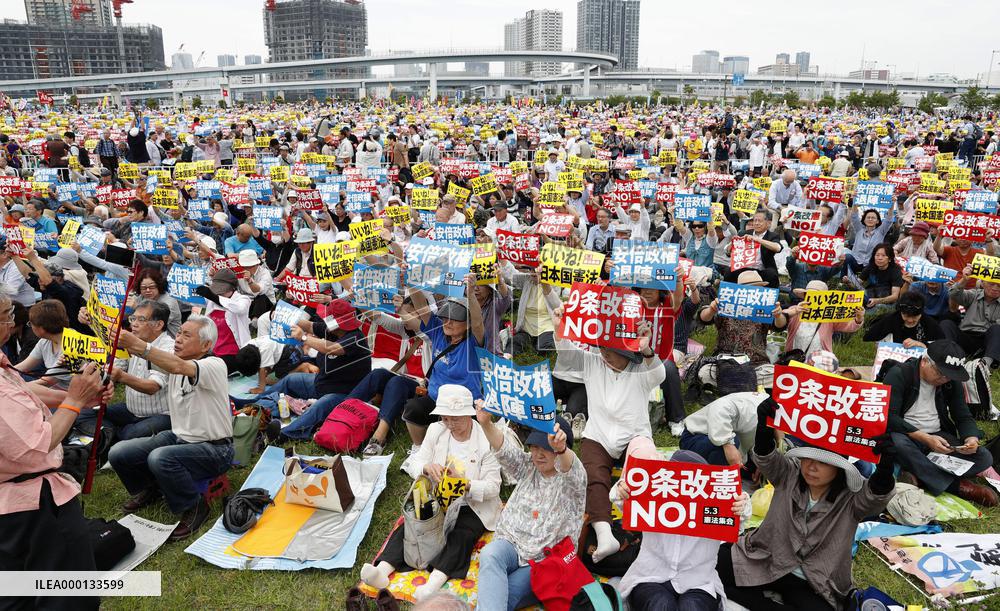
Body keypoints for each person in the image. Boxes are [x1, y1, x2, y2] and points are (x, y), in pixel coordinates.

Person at [716, 396, 897, 610]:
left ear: (838, 468)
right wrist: (764, 425)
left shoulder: (851, 497)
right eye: (808, 458)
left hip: (814, 579)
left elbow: (876, 496)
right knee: (716, 562)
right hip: (768, 558)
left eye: (823, 463)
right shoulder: (789, 474)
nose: (811, 467)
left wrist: (885, 466)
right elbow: (766, 457)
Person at [0, 291, 108, 611]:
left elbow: (21, 392)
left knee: (15, 590)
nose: (13, 322)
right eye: (7, 315)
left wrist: (81, 397)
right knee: (67, 594)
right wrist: (74, 400)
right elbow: (35, 445)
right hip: (33, 507)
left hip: (11, 506)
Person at [360, 385, 502, 602]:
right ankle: (382, 571)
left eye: (455, 419)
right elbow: (416, 461)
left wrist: (465, 484)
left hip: (472, 504)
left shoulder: (486, 439)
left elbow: (493, 487)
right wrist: (427, 467)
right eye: (446, 419)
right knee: (414, 523)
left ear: (468, 414)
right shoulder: (437, 430)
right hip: (440, 497)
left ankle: (433, 583)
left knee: (461, 535)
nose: (450, 424)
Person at [551, 307, 664, 563]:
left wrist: (647, 349)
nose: (606, 357)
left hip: (634, 434)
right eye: (603, 351)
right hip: (598, 433)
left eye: (613, 353)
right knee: (591, 474)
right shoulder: (593, 361)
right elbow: (568, 356)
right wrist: (560, 327)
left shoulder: (640, 371)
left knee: (646, 460)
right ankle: (604, 533)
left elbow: (659, 374)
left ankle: (643, 525)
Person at [111, 315, 235, 540]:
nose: (178, 339)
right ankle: (151, 488)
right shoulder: (174, 364)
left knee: (160, 457)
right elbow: (158, 359)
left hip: (216, 449)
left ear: (206, 345)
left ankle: (195, 506)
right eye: (179, 333)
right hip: (179, 438)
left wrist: (137, 344)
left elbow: (176, 365)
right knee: (119, 452)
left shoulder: (213, 365)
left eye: (187, 335)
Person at [614, 439, 750, 611]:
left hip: (699, 583)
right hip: (650, 576)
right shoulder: (654, 495)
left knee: (691, 607)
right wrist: (623, 488)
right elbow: (620, 501)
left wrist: (741, 505)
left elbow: (740, 520)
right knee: (660, 605)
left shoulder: (718, 503)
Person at [475, 411, 585, 611]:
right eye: (534, 447)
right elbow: (503, 449)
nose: (538, 454)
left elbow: (571, 467)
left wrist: (561, 450)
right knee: (490, 553)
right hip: (512, 545)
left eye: (546, 448)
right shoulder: (529, 466)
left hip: (545, 561)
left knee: (502, 596)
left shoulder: (572, 482)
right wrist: (485, 423)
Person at [882, 339, 997, 506]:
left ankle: (921, 476)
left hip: (938, 437)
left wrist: (970, 439)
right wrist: (924, 438)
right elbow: (889, 417)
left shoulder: (950, 381)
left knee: (984, 457)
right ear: (925, 362)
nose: (944, 379)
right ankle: (957, 487)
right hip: (906, 434)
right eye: (940, 373)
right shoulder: (900, 374)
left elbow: (962, 415)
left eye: (949, 375)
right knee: (897, 443)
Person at [261, 299, 372, 441]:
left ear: (336, 322)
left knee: (319, 407)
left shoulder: (356, 338)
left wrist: (303, 337)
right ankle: (255, 405)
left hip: (346, 394)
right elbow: (309, 325)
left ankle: (284, 434)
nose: (324, 320)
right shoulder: (332, 329)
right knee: (289, 380)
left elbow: (331, 348)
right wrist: (283, 316)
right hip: (323, 382)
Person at [402, 278, 485, 467]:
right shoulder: (439, 333)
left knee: (463, 440)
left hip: (464, 404)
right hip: (437, 400)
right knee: (413, 409)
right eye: (445, 317)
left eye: (454, 319)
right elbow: (421, 306)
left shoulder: (473, 342)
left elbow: (479, 322)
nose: (447, 322)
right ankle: (419, 449)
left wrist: (470, 293)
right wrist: (411, 280)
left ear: (467, 325)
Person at [76, 301, 174, 441]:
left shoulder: (167, 349)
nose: (134, 324)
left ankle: (111, 435)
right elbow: (117, 366)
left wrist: (121, 376)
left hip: (160, 414)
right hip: (130, 409)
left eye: (141, 320)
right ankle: (113, 434)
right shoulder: (132, 340)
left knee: (130, 435)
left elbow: (152, 387)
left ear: (159, 324)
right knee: (84, 413)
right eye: (133, 318)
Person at [680, 391, 763, 468]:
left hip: (734, 450)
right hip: (695, 437)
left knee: (757, 467)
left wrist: (762, 465)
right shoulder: (756, 407)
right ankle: (715, 479)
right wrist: (727, 444)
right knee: (732, 442)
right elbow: (720, 405)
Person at [943, 267, 1000, 368]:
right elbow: (953, 294)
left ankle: (985, 365)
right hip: (966, 336)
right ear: (982, 283)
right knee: (946, 324)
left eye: (999, 285)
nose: (995, 288)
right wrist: (964, 279)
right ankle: (949, 356)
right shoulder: (974, 294)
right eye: (991, 284)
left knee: (997, 329)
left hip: (987, 341)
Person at [194, 268, 251, 357]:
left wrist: (213, 297)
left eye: (223, 290)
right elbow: (193, 302)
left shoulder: (243, 299)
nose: (219, 293)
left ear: (233, 288)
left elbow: (239, 308)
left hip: (234, 352)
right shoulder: (212, 299)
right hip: (213, 349)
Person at [863, 290, 944, 351]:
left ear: (921, 313)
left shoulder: (929, 323)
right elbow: (868, 337)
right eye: (906, 316)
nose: (910, 320)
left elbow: (942, 345)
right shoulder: (891, 319)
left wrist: (921, 344)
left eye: (915, 317)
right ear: (900, 312)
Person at [130, 267, 182, 337]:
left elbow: (152, 326)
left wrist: (137, 308)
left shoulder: (169, 302)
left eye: (151, 287)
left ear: (159, 285)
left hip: (167, 342)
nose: (148, 290)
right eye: (144, 288)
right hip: (146, 338)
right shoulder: (141, 297)